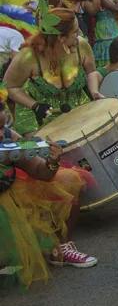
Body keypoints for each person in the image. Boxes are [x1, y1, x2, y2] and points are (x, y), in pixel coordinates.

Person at [0, 95, 96, 286]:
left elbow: (40, 172)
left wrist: (52, 161)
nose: (1, 135)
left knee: (69, 180)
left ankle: (61, 249)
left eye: (2, 127)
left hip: (11, 194)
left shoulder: (10, 138)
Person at [5, 8, 103, 135]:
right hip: (39, 116)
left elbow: (91, 72)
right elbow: (11, 86)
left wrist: (94, 92)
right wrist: (35, 106)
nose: (79, 33)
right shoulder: (29, 56)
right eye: (75, 31)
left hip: (79, 110)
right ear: (61, 38)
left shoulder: (81, 45)